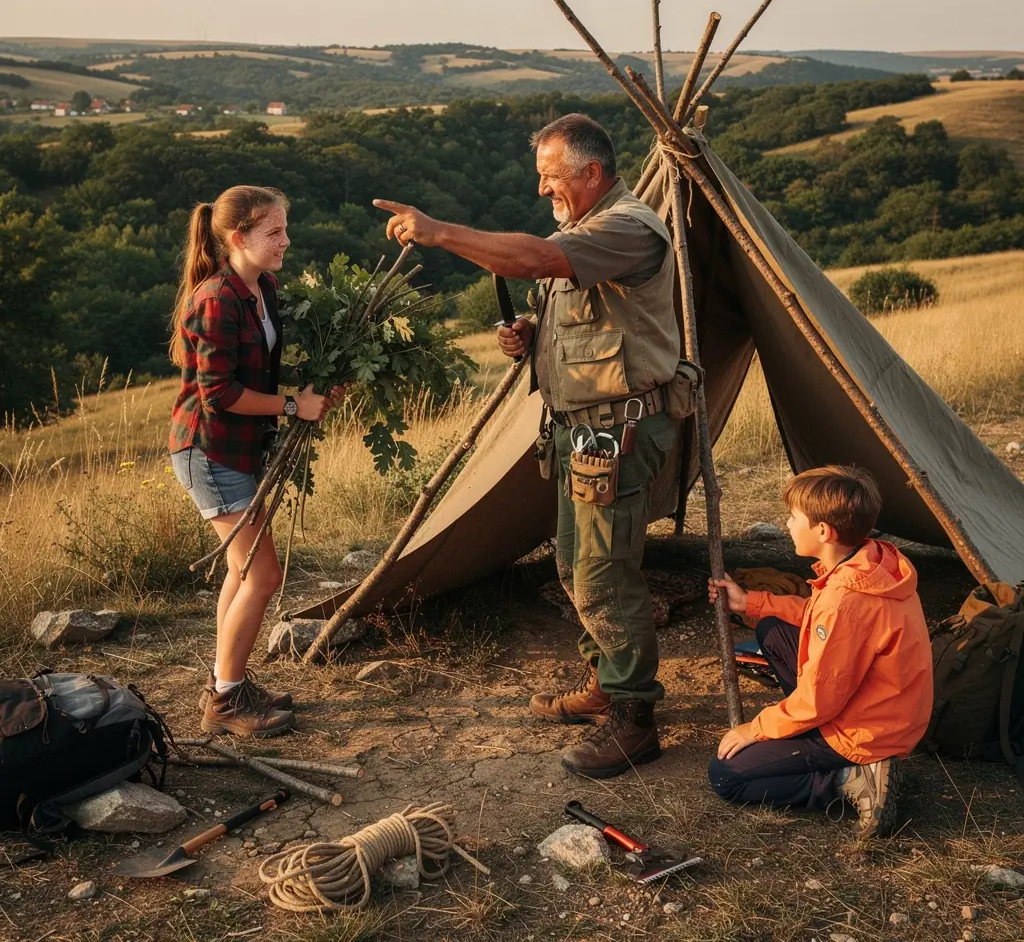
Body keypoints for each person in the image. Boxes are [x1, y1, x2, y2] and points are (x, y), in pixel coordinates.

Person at [374, 113, 682, 778]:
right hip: (586, 430)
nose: (543, 189)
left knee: (603, 574)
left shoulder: (628, 227)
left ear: (592, 172)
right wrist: (531, 334)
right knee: (574, 565)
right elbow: (583, 314)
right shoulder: (586, 231)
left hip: (617, 431)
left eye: (551, 176)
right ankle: (607, 681)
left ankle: (635, 721)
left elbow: (536, 258)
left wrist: (441, 233)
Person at [168, 185, 343, 738]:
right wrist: (294, 405)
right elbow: (218, 393)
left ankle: (229, 681)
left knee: (242, 571)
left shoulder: (261, 286)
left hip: (237, 448)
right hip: (209, 450)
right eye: (274, 232)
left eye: (286, 229)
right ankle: (224, 702)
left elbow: (262, 368)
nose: (286, 242)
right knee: (264, 574)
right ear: (238, 237)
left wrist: (314, 387)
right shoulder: (216, 299)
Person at [706, 465, 933, 838]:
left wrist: (757, 729)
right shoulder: (872, 562)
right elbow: (817, 618)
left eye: (794, 517)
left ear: (823, 531)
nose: (788, 524)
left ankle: (851, 779)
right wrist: (751, 602)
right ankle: (814, 746)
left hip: (866, 731)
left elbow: (819, 701)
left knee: (726, 775)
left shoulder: (846, 599)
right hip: (889, 709)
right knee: (772, 629)